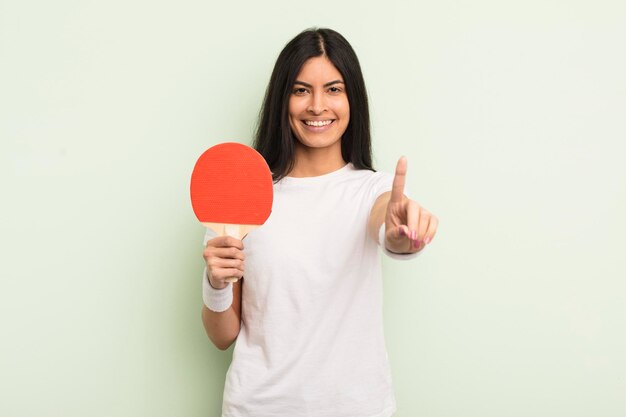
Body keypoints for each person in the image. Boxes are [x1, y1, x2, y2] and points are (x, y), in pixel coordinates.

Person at [200, 27, 438, 417]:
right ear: (283, 99)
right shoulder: (242, 195)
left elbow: (387, 224)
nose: (316, 106)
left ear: (352, 99)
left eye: (333, 89)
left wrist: (401, 233)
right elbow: (222, 335)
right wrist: (215, 282)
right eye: (300, 90)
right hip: (258, 407)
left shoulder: (371, 191)